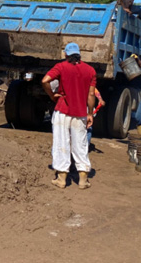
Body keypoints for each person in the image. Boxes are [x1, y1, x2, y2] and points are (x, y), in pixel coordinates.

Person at [41, 43, 96, 190]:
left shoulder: (61, 67)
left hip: (62, 111)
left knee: (61, 143)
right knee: (81, 144)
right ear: (79, 54)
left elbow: (45, 80)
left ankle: (61, 179)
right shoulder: (90, 70)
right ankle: (83, 180)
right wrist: (90, 113)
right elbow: (91, 94)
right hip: (80, 113)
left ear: (66, 54)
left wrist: (52, 95)